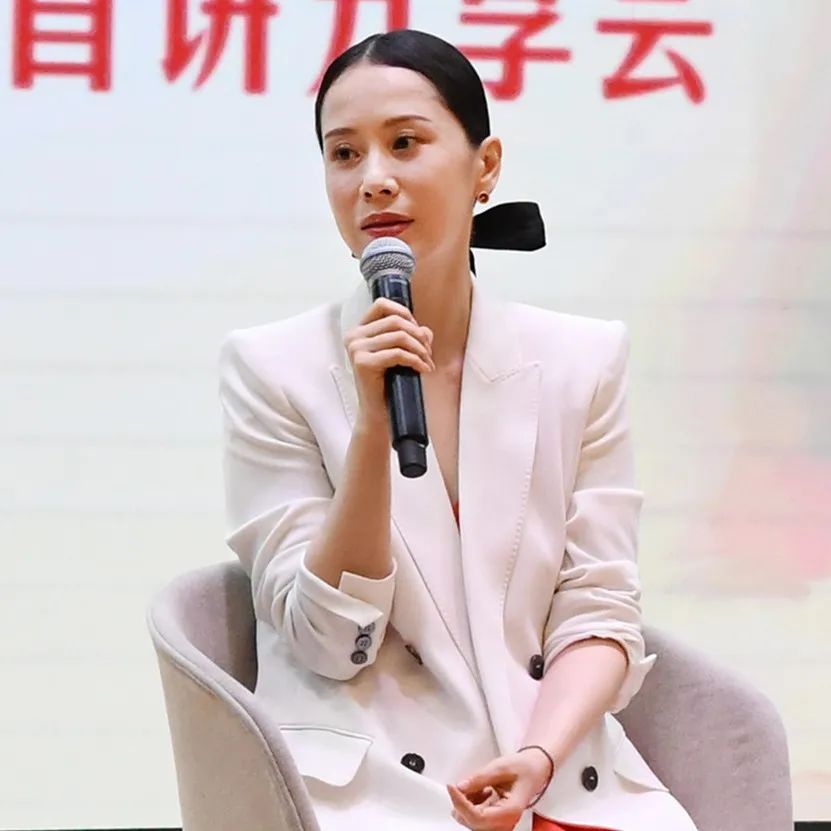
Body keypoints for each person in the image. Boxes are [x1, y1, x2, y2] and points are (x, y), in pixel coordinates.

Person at [218, 28, 698, 831]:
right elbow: (328, 641)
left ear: (485, 166)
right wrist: (372, 428)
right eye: (344, 154)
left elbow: (598, 605)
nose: (373, 178)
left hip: (552, 767)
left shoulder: (581, 359)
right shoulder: (271, 367)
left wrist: (538, 757)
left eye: (405, 143)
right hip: (373, 792)